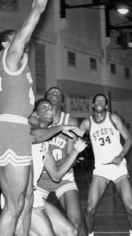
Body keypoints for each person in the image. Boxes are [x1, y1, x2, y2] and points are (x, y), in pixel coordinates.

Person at [0, 0, 59, 236]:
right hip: (13, 131)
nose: (21, 40)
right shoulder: (10, 56)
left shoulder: (2, 71)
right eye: (15, 37)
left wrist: (6, 115)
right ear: (5, 43)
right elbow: (37, 8)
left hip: (12, 128)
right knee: (14, 206)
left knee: (25, 202)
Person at [80, 94, 132, 236]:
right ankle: (90, 234)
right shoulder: (87, 123)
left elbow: (129, 139)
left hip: (118, 168)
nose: (100, 101)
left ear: (106, 106)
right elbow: (75, 140)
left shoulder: (113, 118)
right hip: (101, 169)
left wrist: (121, 155)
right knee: (89, 209)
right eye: (97, 100)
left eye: (103, 101)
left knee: (130, 206)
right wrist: (75, 151)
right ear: (93, 105)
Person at [29, 98, 85, 236]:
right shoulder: (28, 126)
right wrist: (61, 127)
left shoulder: (45, 142)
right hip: (21, 197)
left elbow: (56, 175)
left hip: (33, 195)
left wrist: (76, 152)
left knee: (71, 232)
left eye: (50, 108)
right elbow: (33, 136)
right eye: (45, 107)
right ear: (35, 114)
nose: (50, 110)